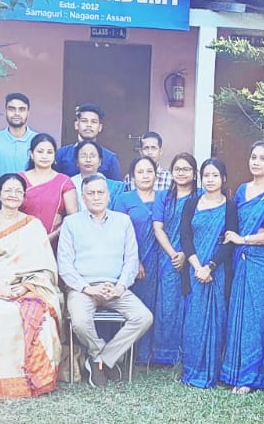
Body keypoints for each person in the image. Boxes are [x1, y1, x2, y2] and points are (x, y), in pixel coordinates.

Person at [0, 174, 62, 399]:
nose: (13, 195)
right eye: (8, 190)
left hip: (27, 284)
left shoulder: (33, 225)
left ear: (23, 196)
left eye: (18, 191)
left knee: (40, 312)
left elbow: (45, 266)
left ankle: (34, 377)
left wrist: (26, 287)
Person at [59, 175, 153, 386]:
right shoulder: (71, 223)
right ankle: (100, 354)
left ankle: (102, 360)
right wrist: (87, 288)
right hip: (83, 289)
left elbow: (131, 259)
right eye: (90, 193)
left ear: (108, 196)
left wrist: (120, 286)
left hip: (115, 287)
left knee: (143, 317)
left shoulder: (123, 221)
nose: (96, 197)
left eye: (100, 192)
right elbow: (64, 264)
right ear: (83, 197)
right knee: (80, 322)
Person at [221, 142, 264, 394]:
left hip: (262, 262)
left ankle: (250, 377)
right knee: (238, 313)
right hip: (241, 260)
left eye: (262, 158)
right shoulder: (242, 190)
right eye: (253, 157)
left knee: (254, 317)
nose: (256, 162)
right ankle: (233, 372)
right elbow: (236, 223)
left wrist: (246, 239)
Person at [178, 158, 238, 389]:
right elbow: (185, 237)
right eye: (206, 175)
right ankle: (192, 369)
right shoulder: (191, 204)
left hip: (218, 272)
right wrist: (197, 267)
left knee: (217, 319)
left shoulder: (230, 207)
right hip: (195, 270)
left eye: (215, 175)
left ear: (223, 179)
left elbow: (230, 241)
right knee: (193, 319)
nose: (210, 180)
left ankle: (212, 370)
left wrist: (210, 267)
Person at [110, 157, 161, 362]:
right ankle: (130, 354)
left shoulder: (164, 197)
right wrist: (135, 261)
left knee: (158, 305)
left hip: (160, 261)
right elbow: (117, 233)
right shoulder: (124, 199)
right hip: (134, 262)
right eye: (140, 172)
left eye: (149, 171)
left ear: (156, 175)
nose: (145, 176)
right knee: (136, 305)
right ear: (132, 177)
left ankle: (152, 354)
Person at [150, 153, 198, 367]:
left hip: (195, 256)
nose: (181, 173)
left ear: (194, 173)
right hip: (168, 258)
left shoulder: (201, 196)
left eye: (186, 169)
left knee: (190, 304)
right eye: (177, 169)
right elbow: (158, 227)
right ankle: (165, 354)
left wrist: (186, 254)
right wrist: (173, 254)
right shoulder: (163, 197)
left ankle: (187, 353)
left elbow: (201, 227)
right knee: (167, 305)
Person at [20, 132, 77, 245]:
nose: (45, 156)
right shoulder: (19, 180)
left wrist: (51, 237)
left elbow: (73, 218)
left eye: (49, 152)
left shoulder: (64, 182)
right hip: (22, 242)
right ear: (31, 154)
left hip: (55, 242)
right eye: (40, 151)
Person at [54, 104, 122, 179]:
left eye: (94, 122)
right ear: (76, 125)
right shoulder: (62, 154)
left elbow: (116, 185)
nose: (89, 125)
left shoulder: (110, 158)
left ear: (100, 127)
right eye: (84, 121)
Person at [0, 93, 38, 176]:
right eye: (12, 109)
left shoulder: (39, 142)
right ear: (5, 111)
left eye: (22, 109)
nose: (17, 113)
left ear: (28, 113)